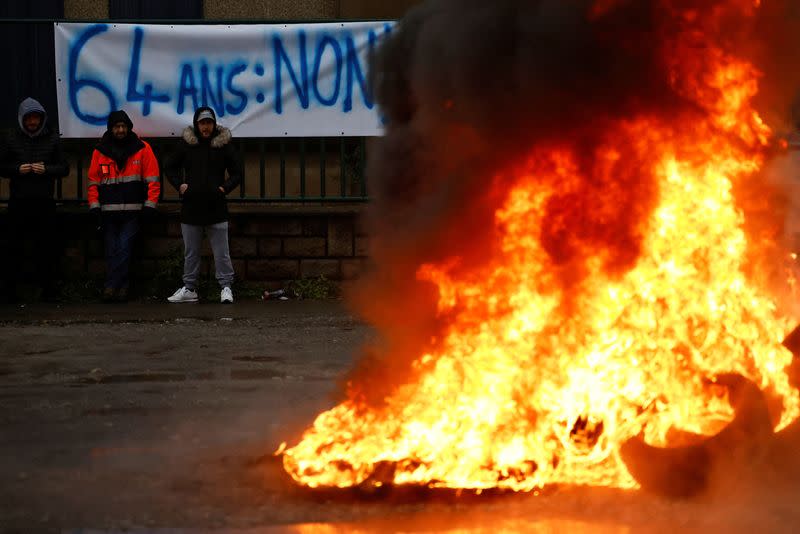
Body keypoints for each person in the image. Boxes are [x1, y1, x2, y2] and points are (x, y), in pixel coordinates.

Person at [164, 106, 242, 304]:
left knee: (222, 252)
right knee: (191, 252)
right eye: (202, 123)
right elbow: (169, 166)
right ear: (196, 124)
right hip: (191, 207)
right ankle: (189, 288)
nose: (206, 127)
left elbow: (237, 172)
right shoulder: (186, 145)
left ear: (214, 124)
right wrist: (179, 186)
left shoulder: (224, 145)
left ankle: (226, 287)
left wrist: (224, 189)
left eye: (209, 122)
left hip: (216, 207)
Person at [0, 97, 69, 303]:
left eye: (36, 119)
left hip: (44, 201)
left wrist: (47, 169)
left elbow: (64, 168)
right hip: (19, 201)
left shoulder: (52, 138)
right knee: (13, 247)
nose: (32, 123)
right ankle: (10, 291)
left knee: (46, 247)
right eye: (29, 119)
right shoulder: (11, 138)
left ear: (42, 119)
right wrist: (16, 169)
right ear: (22, 119)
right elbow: (2, 166)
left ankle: (49, 290)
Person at [87, 110, 160, 302]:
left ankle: (114, 286)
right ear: (111, 129)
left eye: (123, 126)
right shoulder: (99, 151)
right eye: (117, 127)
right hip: (108, 212)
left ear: (128, 128)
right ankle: (119, 286)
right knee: (112, 249)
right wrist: (94, 206)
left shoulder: (143, 149)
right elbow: (93, 182)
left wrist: (149, 206)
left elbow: (153, 180)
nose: (120, 130)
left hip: (133, 212)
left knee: (124, 247)